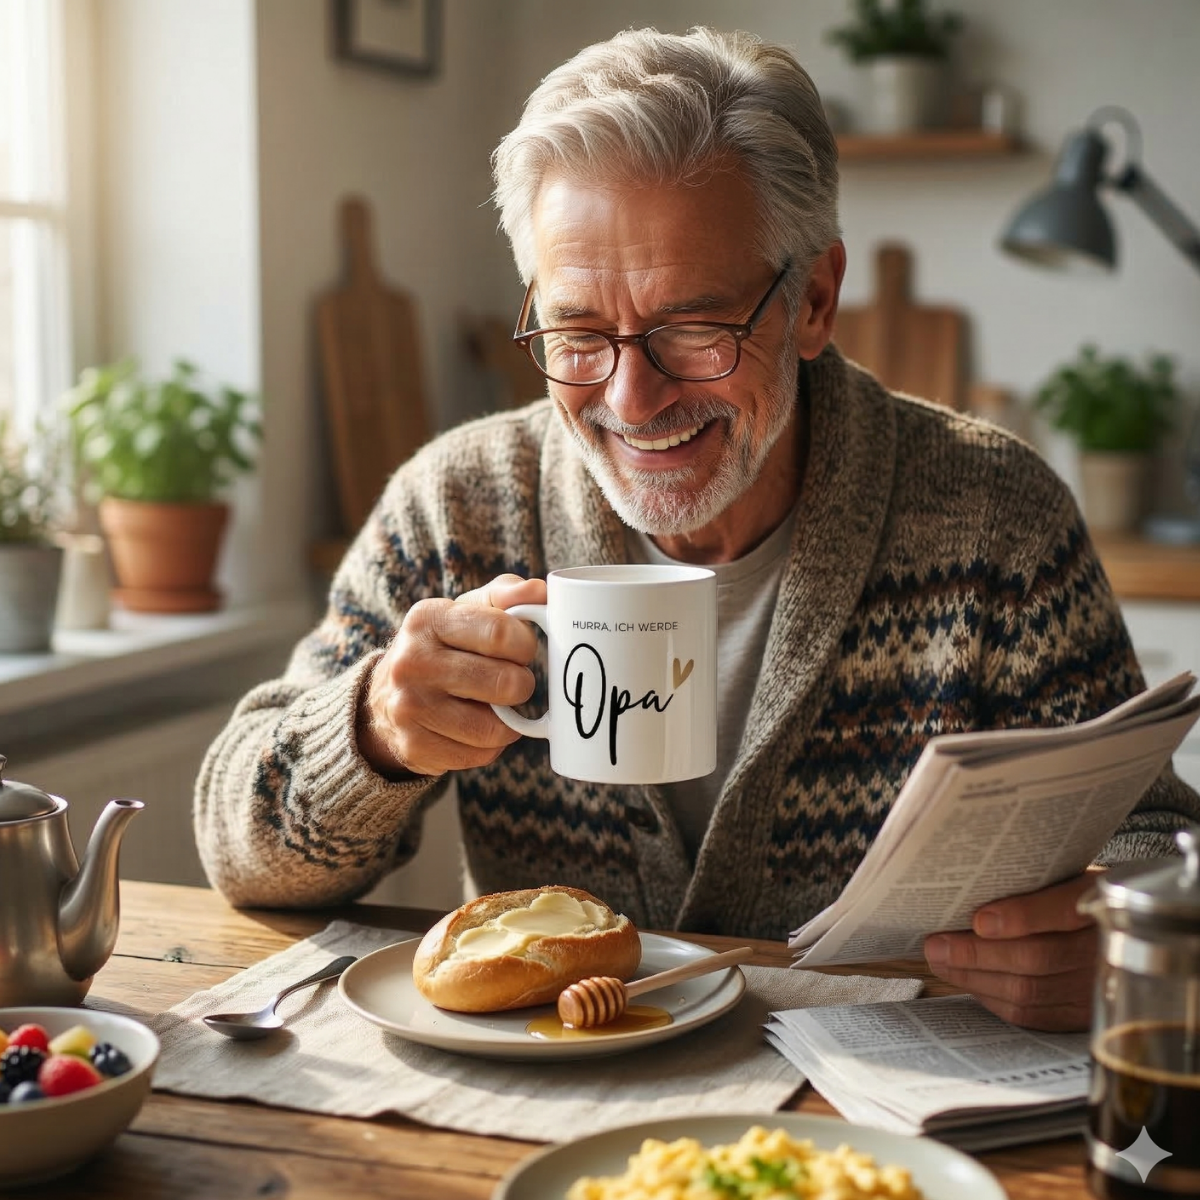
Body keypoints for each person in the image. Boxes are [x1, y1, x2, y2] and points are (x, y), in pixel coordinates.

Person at [195, 26, 1200, 1032]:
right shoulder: (456, 506)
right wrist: (373, 731)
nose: (633, 398)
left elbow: (1156, 835)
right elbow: (240, 847)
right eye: (578, 332)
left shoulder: (994, 518)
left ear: (813, 301)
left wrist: (1120, 926)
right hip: (534, 1114)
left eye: (693, 329)